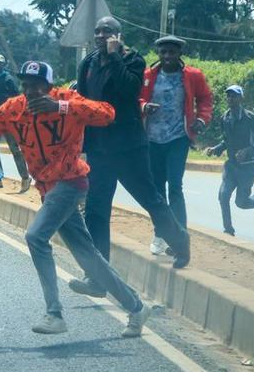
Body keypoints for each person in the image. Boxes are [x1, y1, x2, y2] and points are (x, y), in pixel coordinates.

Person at [0, 61, 151, 337]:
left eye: (36, 86)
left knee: (35, 236)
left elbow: (107, 114)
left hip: (71, 181)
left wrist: (60, 108)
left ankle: (54, 313)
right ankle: (137, 308)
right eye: (25, 85)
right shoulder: (14, 108)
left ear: (49, 87)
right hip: (46, 189)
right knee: (88, 255)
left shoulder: (66, 100)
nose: (30, 91)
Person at [68, 16, 191, 300]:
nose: (100, 36)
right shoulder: (87, 65)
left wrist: (114, 57)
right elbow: (83, 105)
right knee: (97, 211)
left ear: (118, 36)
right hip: (99, 149)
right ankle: (98, 277)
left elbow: (128, 90)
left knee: (150, 199)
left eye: (107, 32)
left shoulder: (133, 61)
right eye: (97, 31)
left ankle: (179, 240)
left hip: (128, 148)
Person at [140, 35, 213, 254]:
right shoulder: (148, 76)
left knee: (175, 187)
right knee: (156, 189)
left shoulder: (192, 75)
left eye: (172, 52)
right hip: (152, 139)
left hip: (178, 137)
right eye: (163, 52)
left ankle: (180, 236)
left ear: (179, 54)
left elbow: (205, 100)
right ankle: (161, 234)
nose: (168, 56)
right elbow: (137, 99)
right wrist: (144, 107)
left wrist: (201, 119)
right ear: (158, 54)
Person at [205, 85, 254, 236]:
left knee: (241, 203)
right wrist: (216, 148)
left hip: (247, 167)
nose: (230, 99)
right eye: (228, 96)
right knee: (223, 195)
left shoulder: (250, 117)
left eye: (234, 96)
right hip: (231, 166)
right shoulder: (224, 118)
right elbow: (227, 140)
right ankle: (228, 230)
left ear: (241, 98)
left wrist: (249, 151)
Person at [0, 54, 31, 193]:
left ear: (3, 65)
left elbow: (16, 98)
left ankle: (25, 177)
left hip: (9, 118)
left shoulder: (8, 79)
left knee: (15, 148)